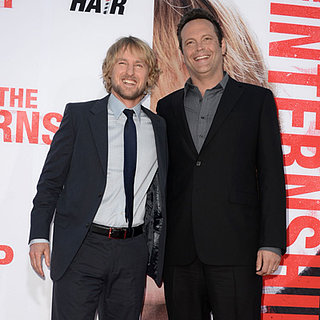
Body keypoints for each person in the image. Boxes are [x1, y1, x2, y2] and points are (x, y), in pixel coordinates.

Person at [156, 8, 286, 320]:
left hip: (237, 251)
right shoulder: (166, 107)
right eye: (190, 43)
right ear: (182, 52)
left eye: (206, 40)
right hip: (181, 253)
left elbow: (271, 176)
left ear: (223, 44)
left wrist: (272, 242)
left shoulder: (257, 101)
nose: (199, 48)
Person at [28, 36, 167, 320]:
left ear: (149, 74)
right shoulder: (80, 116)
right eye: (122, 64)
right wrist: (39, 234)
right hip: (82, 246)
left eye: (139, 65)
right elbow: (51, 181)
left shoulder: (159, 128)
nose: (130, 72)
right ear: (109, 70)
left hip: (132, 252)